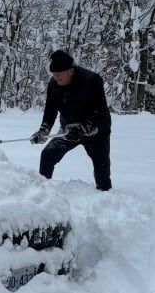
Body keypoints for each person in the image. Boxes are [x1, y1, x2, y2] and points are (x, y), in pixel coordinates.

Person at [30, 50, 112, 191]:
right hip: (68, 131)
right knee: (48, 155)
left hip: (96, 131)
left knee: (101, 168)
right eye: (54, 74)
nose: (56, 78)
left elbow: (100, 111)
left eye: (59, 74)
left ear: (71, 71)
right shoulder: (54, 84)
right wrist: (44, 130)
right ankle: (42, 191)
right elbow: (50, 111)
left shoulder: (91, 80)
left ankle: (106, 197)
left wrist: (83, 128)